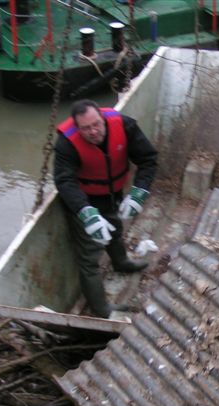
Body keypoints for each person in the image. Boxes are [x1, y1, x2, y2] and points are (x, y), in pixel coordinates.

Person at [54, 99, 158, 318]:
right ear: (77, 127)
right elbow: (64, 181)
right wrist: (86, 213)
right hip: (83, 201)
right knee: (90, 257)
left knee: (115, 229)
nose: (93, 131)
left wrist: (139, 192)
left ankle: (121, 262)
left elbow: (148, 158)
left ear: (102, 118)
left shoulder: (125, 125)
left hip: (112, 194)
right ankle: (100, 309)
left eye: (96, 125)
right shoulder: (66, 143)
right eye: (85, 128)